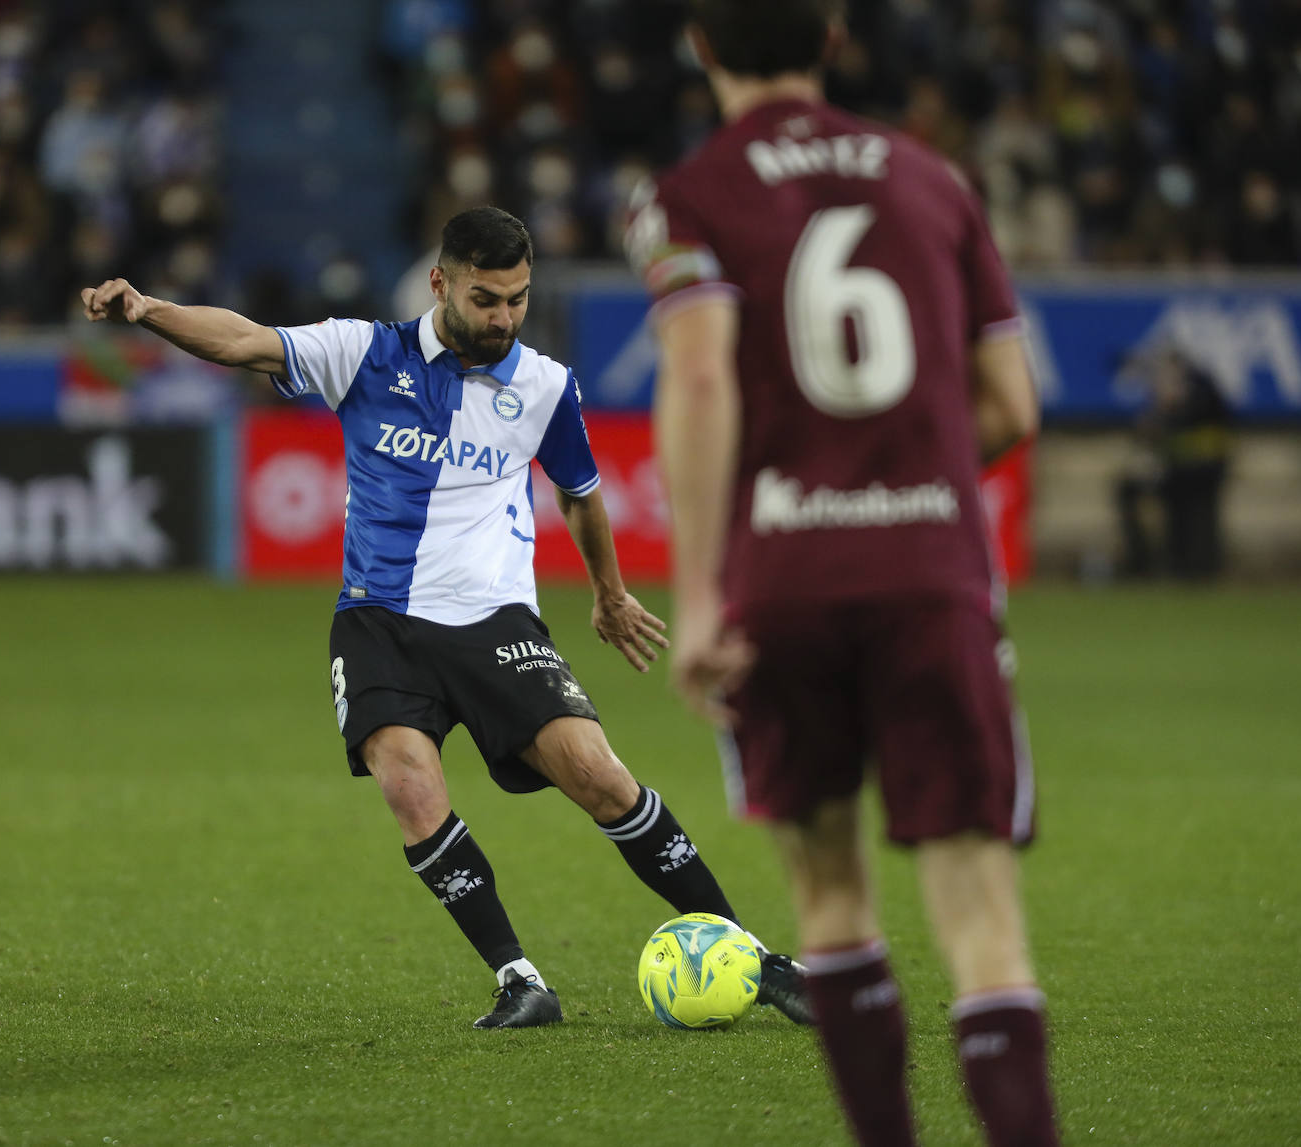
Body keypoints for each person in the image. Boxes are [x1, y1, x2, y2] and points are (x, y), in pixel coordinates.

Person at [80, 206, 810, 1030]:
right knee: (409, 784)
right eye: (486, 298)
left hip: (493, 620)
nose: (503, 318)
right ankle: (519, 979)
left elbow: (581, 493)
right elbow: (247, 339)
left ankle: (754, 955)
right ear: (441, 282)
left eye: (518, 300)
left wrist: (608, 593)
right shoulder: (364, 352)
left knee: (599, 774)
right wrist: (150, 312)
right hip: (379, 621)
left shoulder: (543, 384)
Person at [628, 3, 1057, 1145]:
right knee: (980, 914)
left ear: (701, 44)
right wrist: (908, 486)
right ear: (833, 37)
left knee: (829, 898)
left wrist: (707, 591)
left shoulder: (686, 198)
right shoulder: (933, 181)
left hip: (781, 591)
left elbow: (704, 382)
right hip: (931, 576)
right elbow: (1014, 403)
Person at [1115, 345, 1232, 580]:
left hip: (1205, 467)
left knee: (1197, 517)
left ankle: (1201, 569)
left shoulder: (1200, 387)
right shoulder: (1167, 392)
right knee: (1170, 513)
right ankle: (1164, 565)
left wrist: (1169, 410)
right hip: (1177, 467)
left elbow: (1194, 417)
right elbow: (1153, 433)